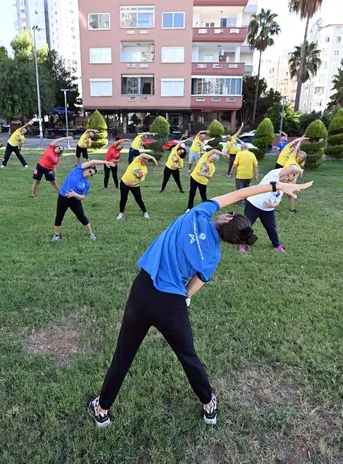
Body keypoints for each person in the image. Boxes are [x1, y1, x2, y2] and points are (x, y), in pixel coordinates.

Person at [87, 178, 315, 428]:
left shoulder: (198, 213)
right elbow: (192, 289)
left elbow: (241, 192)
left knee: (123, 356)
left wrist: (275, 186)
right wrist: (176, 300)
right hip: (172, 304)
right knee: (188, 358)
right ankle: (208, 405)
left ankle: (102, 410)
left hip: (142, 290)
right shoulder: (213, 255)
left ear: (226, 219)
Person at [239, 165, 304, 254]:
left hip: (267, 209)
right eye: (288, 176)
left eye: (289, 180)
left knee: (271, 228)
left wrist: (271, 205)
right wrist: (300, 170)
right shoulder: (273, 174)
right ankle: (241, 244)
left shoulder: (282, 187)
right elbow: (290, 168)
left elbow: (277, 202)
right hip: (253, 204)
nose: (286, 180)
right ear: (286, 173)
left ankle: (276, 245)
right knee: (247, 225)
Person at [52, 159, 116, 241]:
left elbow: (83, 197)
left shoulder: (86, 183)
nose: (89, 174)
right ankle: (56, 235)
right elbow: (92, 161)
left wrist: (75, 195)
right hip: (63, 197)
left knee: (82, 217)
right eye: (90, 171)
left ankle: (91, 234)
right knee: (59, 216)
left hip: (75, 200)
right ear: (86, 168)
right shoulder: (78, 170)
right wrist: (105, 162)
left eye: (91, 174)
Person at [118, 153, 157, 220]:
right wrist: (153, 158)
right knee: (123, 198)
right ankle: (121, 213)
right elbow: (142, 154)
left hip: (135, 186)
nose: (145, 160)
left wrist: (133, 184)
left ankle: (145, 212)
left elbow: (141, 180)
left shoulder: (145, 169)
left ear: (148, 161)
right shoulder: (137, 161)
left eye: (147, 160)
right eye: (144, 159)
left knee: (138, 199)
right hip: (124, 182)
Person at [284, 147, 308, 213]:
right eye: (299, 156)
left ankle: (292, 209)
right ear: (297, 155)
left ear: (303, 159)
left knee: (290, 195)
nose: (299, 158)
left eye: (301, 157)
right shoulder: (292, 159)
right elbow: (295, 149)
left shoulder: (299, 166)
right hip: (284, 180)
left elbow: (293, 178)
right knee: (276, 193)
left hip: (291, 183)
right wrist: (299, 140)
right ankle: (270, 207)